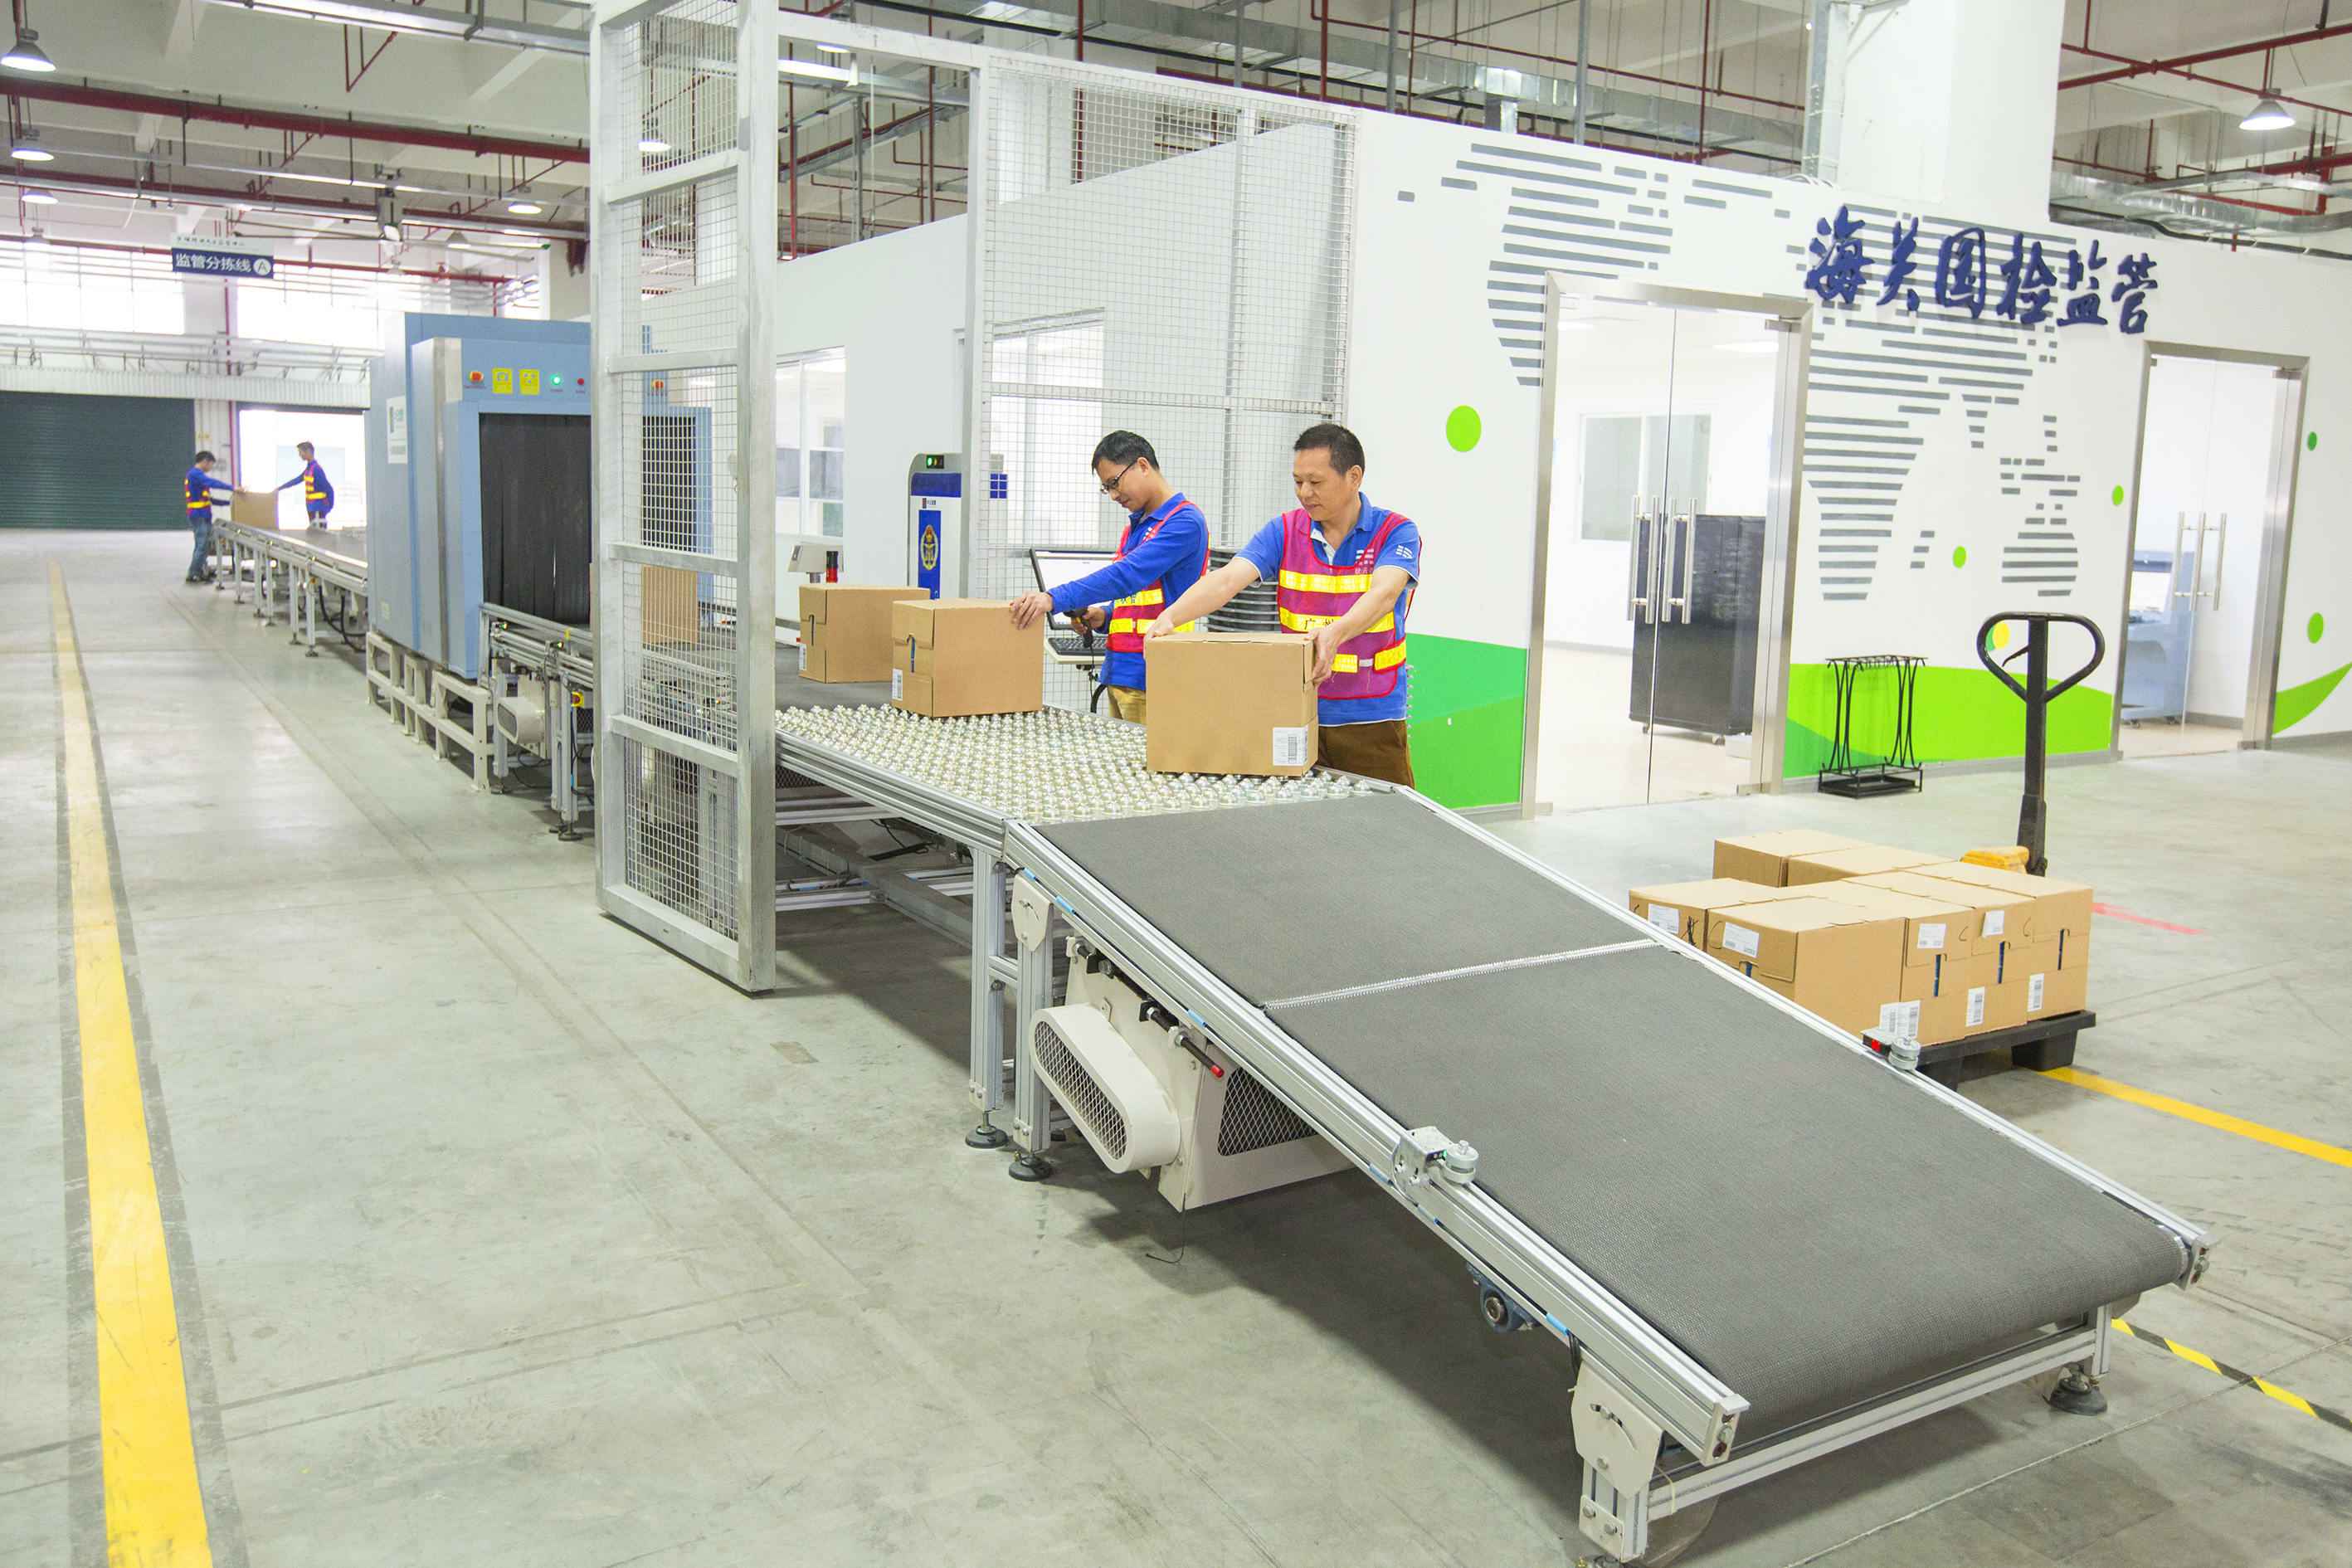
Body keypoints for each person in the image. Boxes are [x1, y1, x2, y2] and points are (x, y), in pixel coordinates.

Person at [1147, 422, 1420, 786]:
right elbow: (1227, 579)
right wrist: (1170, 617)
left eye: (1316, 482)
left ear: (1354, 477)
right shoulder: (1284, 531)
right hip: (1295, 710)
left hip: (1371, 717)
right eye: (1298, 481)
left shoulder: (1396, 532)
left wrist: (1335, 633)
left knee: (1383, 816)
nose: (1305, 493)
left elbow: (1384, 594)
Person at [1006, 431, 1210, 723]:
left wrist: (1053, 598)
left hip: (1155, 675)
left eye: (1114, 483)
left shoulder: (1184, 523)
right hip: (1121, 672)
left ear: (1142, 465)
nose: (1113, 495)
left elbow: (1126, 576)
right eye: (1107, 488)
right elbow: (1139, 598)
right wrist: (1104, 616)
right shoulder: (1136, 527)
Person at [183, 450, 235, 584]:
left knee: (202, 546)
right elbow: (213, 483)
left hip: (202, 516)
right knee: (202, 546)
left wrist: (229, 503)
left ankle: (198, 571)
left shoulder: (198, 477)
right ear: (205, 461)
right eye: (211, 465)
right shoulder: (195, 475)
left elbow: (209, 500)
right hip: (198, 516)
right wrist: (232, 488)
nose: (211, 468)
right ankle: (193, 574)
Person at [275, 441, 334, 526]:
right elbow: (297, 480)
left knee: (318, 532)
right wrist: (280, 488)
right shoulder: (309, 469)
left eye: (301, 452)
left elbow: (328, 489)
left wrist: (329, 507)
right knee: (314, 531)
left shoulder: (316, 469)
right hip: (311, 507)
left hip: (318, 508)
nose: (300, 455)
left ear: (308, 452)